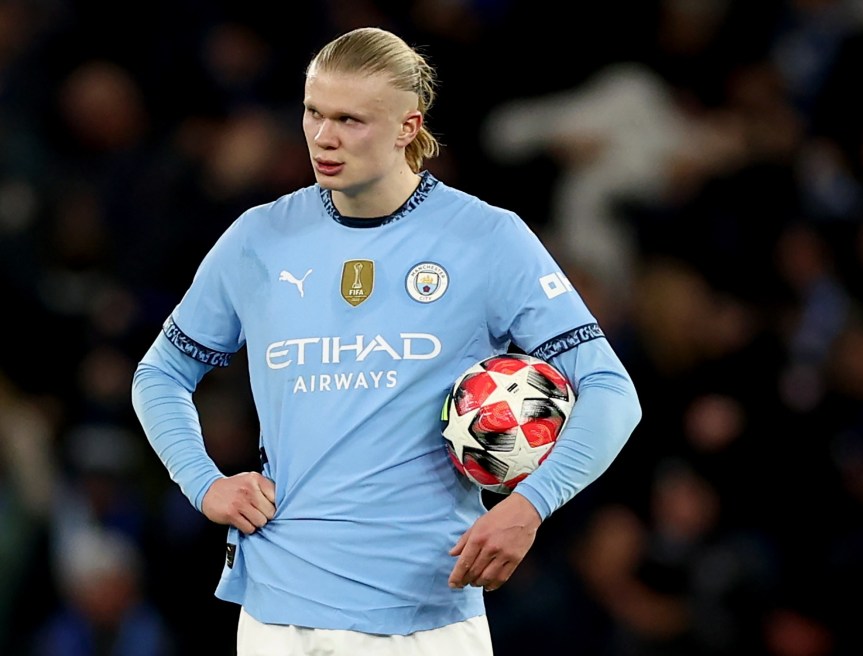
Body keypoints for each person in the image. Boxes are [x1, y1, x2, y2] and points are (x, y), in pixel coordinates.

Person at [131, 26, 642, 656]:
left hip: (423, 615)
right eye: (313, 113)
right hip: (275, 613)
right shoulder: (257, 239)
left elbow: (611, 391)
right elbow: (160, 374)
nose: (324, 136)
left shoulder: (487, 239)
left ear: (408, 126)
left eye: (350, 119)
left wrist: (531, 504)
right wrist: (203, 482)